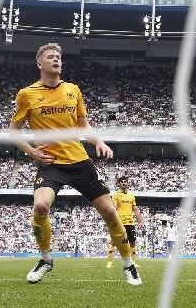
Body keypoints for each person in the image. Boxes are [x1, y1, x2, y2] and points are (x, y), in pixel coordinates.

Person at [9, 43, 141, 285]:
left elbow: (83, 124)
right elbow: (14, 131)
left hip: (80, 161)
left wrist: (99, 141)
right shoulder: (26, 94)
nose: (56, 60)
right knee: (40, 207)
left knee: (110, 212)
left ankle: (129, 264)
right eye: (51, 57)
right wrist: (31, 152)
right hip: (50, 164)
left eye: (59, 57)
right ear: (40, 64)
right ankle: (46, 259)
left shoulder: (73, 90)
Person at [106, 176, 144, 268]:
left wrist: (140, 221)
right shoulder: (116, 195)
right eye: (122, 182)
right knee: (114, 241)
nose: (124, 183)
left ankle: (133, 262)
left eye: (125, 182)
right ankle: (110, 262)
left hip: (130, 223)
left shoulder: (131, 196)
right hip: (120, 222)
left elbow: (135, 209)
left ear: (127, 183)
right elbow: (114, 208)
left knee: (132, 242)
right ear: (119, 184)